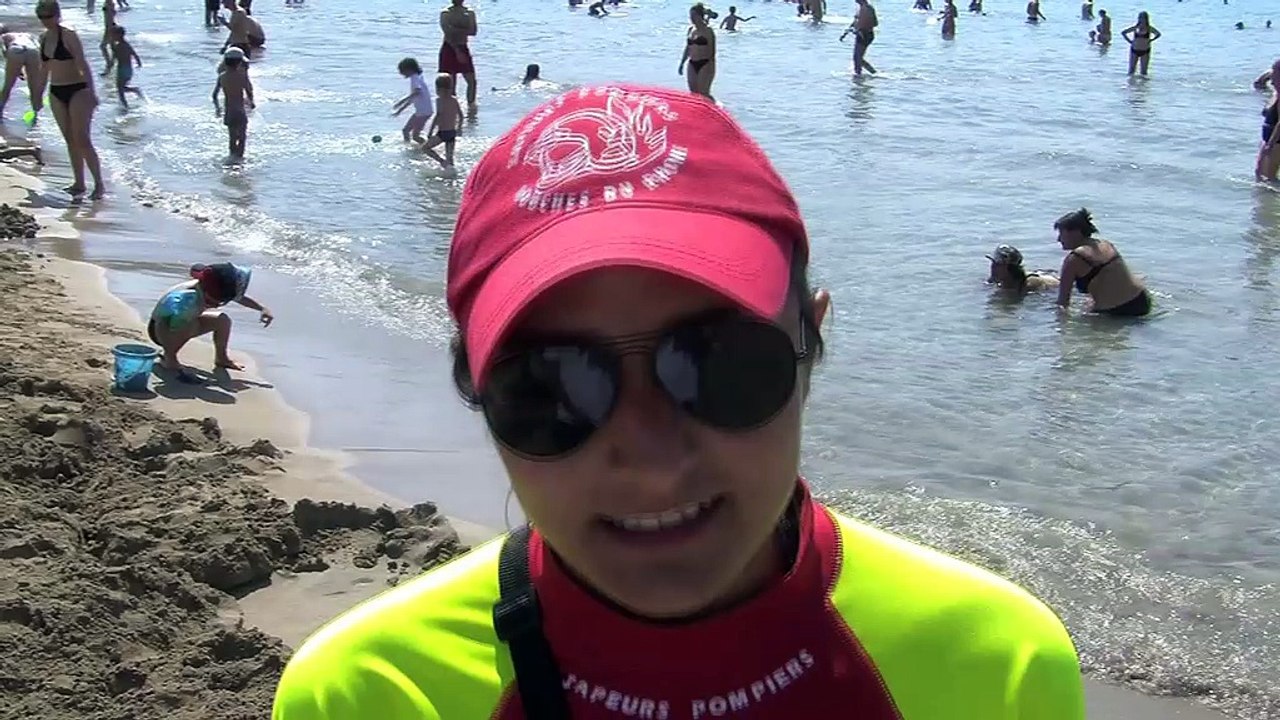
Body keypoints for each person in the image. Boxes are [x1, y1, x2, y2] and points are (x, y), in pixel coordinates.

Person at [271, 83, 1087, 720]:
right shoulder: (370, 696)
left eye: (719, 364)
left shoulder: (998, 666)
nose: (654, 459)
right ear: (475, 391)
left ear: (812, 346)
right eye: (552, 388)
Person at [148, 262, 272, 382]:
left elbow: (239, 298)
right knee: (189, 324)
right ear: (209, 294)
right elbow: (161, 323)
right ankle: (169, 358)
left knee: (222, 320)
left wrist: (262, 308)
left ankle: (222, 358)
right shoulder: (185, 300)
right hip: (160, 331)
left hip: (182, 323)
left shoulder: (205, 285)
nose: (217, 305)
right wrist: (170, 356)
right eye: (217, 302)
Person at [36, 0, 105, 199]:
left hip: (78, 89)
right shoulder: (43, 38)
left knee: (82, 138)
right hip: (56, 90)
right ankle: (79, 183)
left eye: (48, 16)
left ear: (57, 15)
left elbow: (82, 63)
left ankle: (99, 184)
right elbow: (44, 70)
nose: (45, 21)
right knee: (69, 139)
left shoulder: (68, 35)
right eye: (41, 17)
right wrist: (37, 96)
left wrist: (92, 92)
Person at [1054, 208, 1151, 317]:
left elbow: (1063, 302)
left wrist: (1060, 327)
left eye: (1061, 234)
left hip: (1119, 311)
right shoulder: (1105, 244)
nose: (1058, 239)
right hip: (1142, 300)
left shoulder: (1074, 259)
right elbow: (1109, 278)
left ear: (1076, 232)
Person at [211, 46, 254, 159]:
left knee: (232, 137)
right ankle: (239, 159)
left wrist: (217, 108)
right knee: (242, 137)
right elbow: (249, 91)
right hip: (240, 111)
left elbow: (214, 95)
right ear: (240, 62)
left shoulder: (222, 77)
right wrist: (252, 102)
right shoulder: (242, 77)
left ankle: (232, 157)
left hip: (229, 111)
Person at [439, 0, 478, 114]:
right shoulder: (446, 13)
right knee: (451, 83)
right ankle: (453, 112)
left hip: (463, 47)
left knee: (471, 81)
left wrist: (455, 29)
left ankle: (471, 109)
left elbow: (473, 31)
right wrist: (457, 50)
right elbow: (447, 32)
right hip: (449, 48)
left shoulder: (469, 12)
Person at [0, 25, 43, 120]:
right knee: (33, 86)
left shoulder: (4, 37)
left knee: (8, 85)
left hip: (16, 49)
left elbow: (5, 52)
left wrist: (18, 71)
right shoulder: (27, 35)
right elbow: (39, 46)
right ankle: (36, 115)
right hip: (33, 51)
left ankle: (0, 112)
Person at [422, 73, 460, 169]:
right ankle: (451, 174)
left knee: (425, 148)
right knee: (450, 158)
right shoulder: (454, 100)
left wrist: (430, 131)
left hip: (443, 133)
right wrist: (459, 127)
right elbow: (461, 115)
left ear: (438, 89)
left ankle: (441, 161)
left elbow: (438, 116)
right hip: (452, 132)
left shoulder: (439, 100)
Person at [678, 3, 716, 99]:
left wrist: (711, 68)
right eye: (691, 16)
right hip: (692, 63)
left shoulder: (708, 31)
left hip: (705, 63)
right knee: (693, 94)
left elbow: (712, 51)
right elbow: (687, 48)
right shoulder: (691, 30)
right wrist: (682, 63)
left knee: (703, 93)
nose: (692, 19)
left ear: (700, 16)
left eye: (694, 16)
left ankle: (714, 109)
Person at [986, 245, 1059, 294]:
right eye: (993, 263)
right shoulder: (996, 279)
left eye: (998, 264)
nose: (993, 267)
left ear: (1010, 267)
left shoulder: (1029, 283)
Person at [392, 57, 432, 146]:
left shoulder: (415, 79)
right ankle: (408, 148)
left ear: (409, 69)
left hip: (423, 112)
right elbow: (414, 98)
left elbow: (416, 92)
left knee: (415, 136)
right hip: (422, 111)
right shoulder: (417, 77)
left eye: (402, 70)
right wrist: (400, 110)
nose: (400, 73)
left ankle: (428, 147)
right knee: (405, 131)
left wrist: (402, 101)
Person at [1256, 58, 1280, 182]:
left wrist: (1270, 144)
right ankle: (1262, 200)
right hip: (1267, 137)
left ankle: (1274, 198)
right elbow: (1258, 83)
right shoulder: (1275, 93)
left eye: (1275, 75)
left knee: (1270, 177)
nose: (1272, 79)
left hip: (1276, 142)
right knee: (1259, 174)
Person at [840, 0, 878, 77]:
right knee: (858, 58)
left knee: (857, 58)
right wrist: (845, 33)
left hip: (864, 34)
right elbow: (856, 22)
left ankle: (858, 76)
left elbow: (870, 23)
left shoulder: (866, 9)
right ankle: (873, 73)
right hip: (865, 34)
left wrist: (858, 30)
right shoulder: (864, 8)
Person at [109, 26, 141, 108]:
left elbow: (114, 59)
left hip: (122, 69)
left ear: (118, 35)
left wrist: (109, 69)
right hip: (129, 69)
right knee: (122, 88)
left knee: (120, 89)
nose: (111, 36)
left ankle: (125, 107)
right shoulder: (126, 44)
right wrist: (138, 63)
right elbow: (134, 54)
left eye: (112, 35)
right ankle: (134, 91)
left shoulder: (118, 46)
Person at [1121, 11, 1160, 76]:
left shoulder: (1149, 28)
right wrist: (1130, 41)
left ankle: (1143, 85)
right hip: (1134, 49)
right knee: (1131, 70)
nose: (1141, 19)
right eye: (1140, 18)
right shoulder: (1136, 27)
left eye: (1143, 18)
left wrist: (1151, 40)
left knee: (1144, 72)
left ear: (1146, 19)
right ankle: (1130, 84)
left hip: (1145, 50)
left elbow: (1158, 34)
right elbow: (1123, 32)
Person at [97, 0, 115, 74]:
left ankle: (109, 64)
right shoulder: (108, 2)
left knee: (103, 46)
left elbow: (110, 17)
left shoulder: (110, 3)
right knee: (112, 47)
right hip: (110, 27)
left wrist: (109, 29)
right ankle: (110, 65)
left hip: (109, 28)